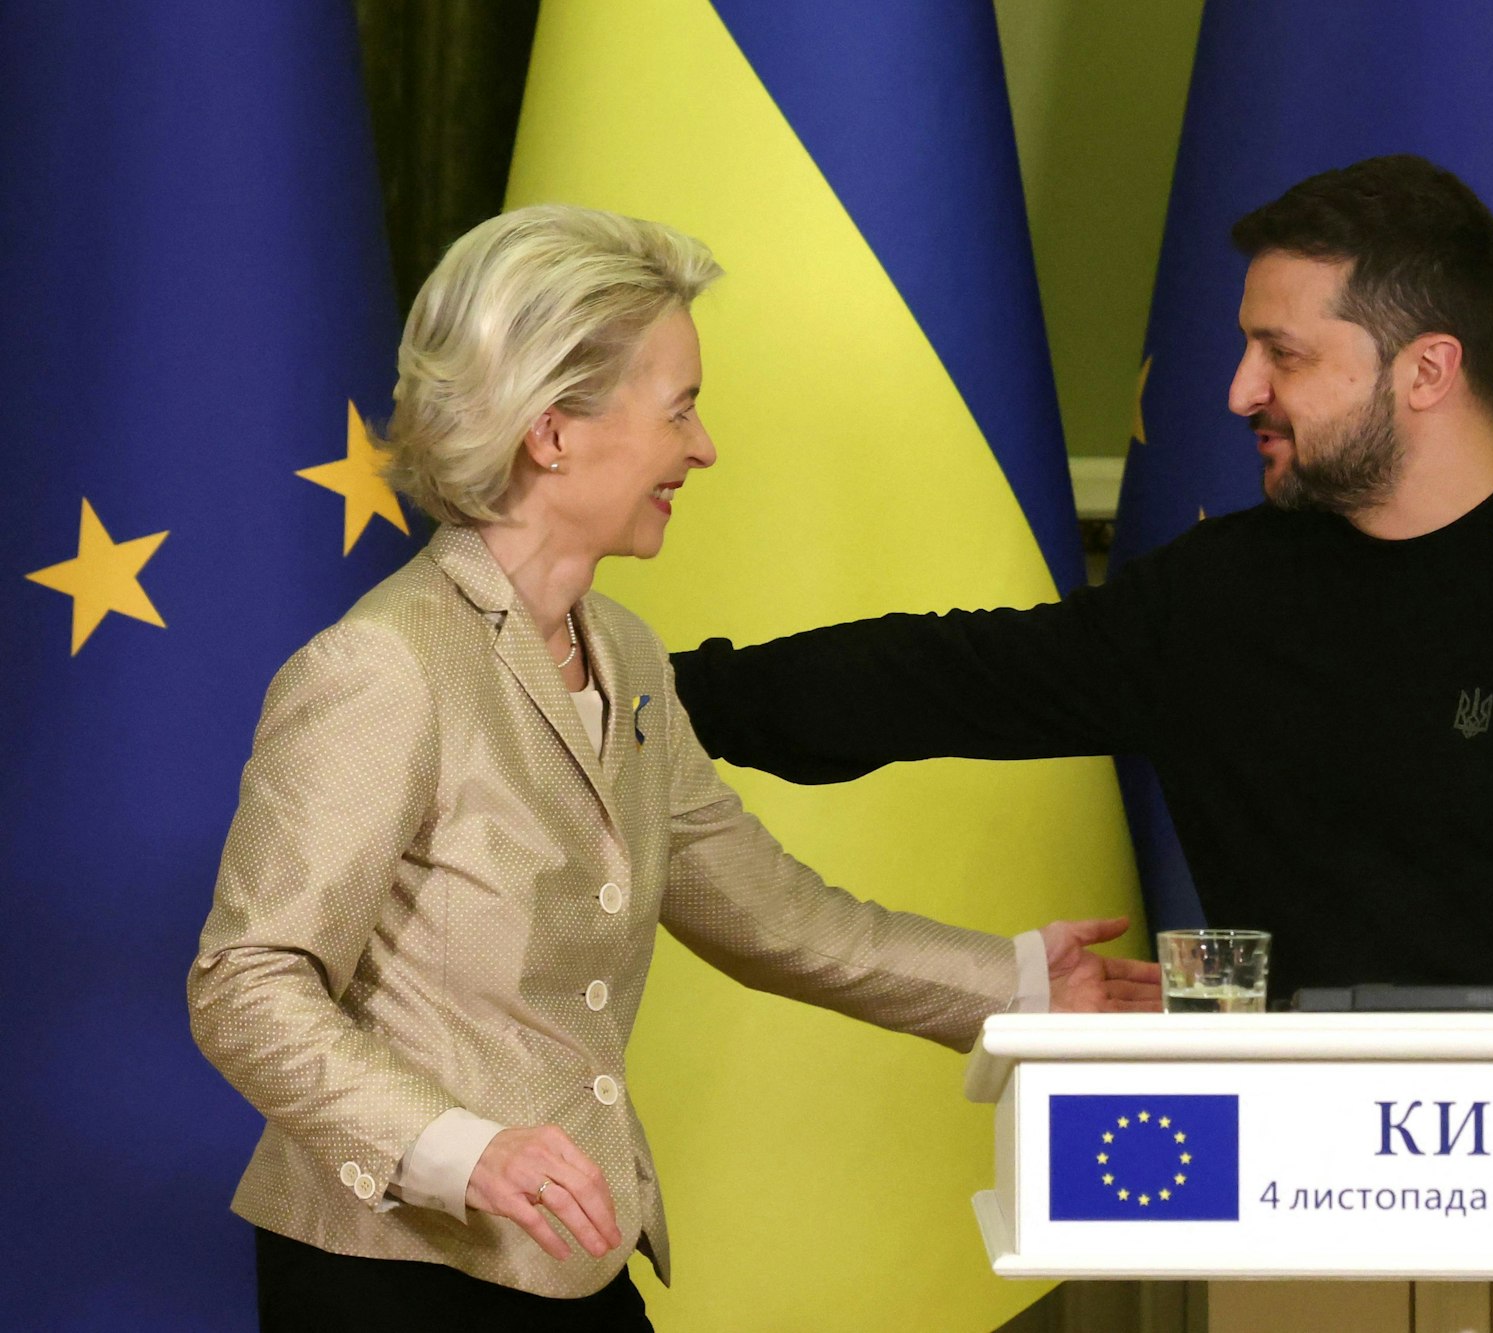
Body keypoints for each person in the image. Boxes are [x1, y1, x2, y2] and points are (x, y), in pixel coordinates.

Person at [665, 157, 1493, 1330]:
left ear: (1425, 368)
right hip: (1298, 1236)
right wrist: (631, 693)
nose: (1239, 389)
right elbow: (935, 680)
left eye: (1282, 353)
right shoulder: (1221, 601)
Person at [187, 204, 1159, 1332]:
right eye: (680, 408)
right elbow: (246, 984)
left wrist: (1016, 985)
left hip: (571, 1253)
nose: (702, 449)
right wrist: (460, 1149)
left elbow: (773, 914)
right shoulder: (383, 667)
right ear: (552, 431)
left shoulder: (628, 659)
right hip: (392, 1273)